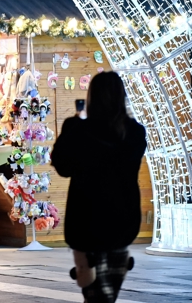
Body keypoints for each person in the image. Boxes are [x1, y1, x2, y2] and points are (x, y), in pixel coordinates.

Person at [52, 72, 146, 303]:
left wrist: (73, 126)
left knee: (94, 292)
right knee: (109, 292)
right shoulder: (134, 132)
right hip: (122, 220)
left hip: (86, 222)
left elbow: (63, 166)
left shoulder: (78, 129)